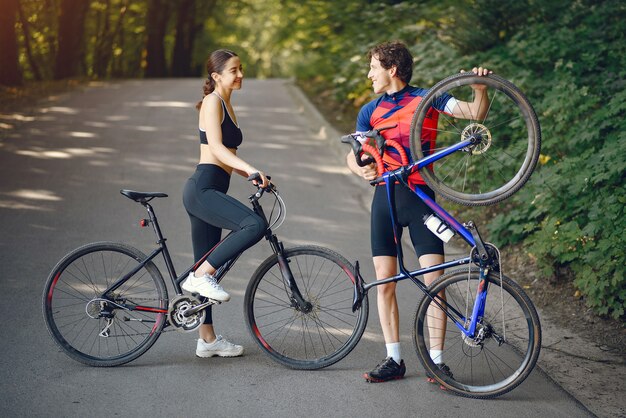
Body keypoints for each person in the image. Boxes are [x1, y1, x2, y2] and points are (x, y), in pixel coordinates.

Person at [345, 41, 491, 383]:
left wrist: (480, 89)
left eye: (373, 67)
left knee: (434, 284)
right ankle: (393, 359)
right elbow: (355, 153)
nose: (369, 74)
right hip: (386, 199)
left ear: (392, 69)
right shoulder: (369, 111)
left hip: (423, 198)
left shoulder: (429, 98)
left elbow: (475, 114)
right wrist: (360, 169)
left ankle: (437, 363)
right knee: (385, 284)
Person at [182, 49, 270, 358]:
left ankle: (206, 341)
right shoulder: (212, 102)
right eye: (234, 70)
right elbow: (216, 148)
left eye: (241, 68)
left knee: (207, 265)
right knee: (254, 225)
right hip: (202, 188)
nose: (240, 74)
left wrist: (254, 175)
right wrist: (249, 168)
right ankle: (200, 275)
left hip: (213, 186)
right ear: (217, 76)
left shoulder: (227, 104)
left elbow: (226, 155)